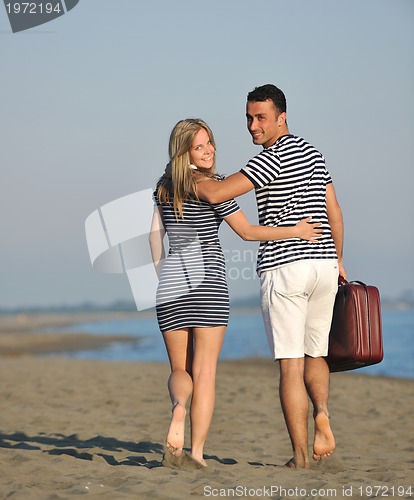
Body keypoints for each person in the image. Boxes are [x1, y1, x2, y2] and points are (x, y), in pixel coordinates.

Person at [149, 117, 323, 470]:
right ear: (186, 153)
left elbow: (155, 237)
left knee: (180, 370)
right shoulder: (215, 187)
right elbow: (246, 232)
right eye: (199, 146)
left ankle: (178, 409)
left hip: (171, 285)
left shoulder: (163, 188)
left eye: (210, 142)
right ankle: (196, 453)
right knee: (206, 372)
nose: (209, 149)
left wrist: (162, 273)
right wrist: (296, 231)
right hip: (209, 283)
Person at [196, 84, 346, 469]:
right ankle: (323, 413)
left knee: (291, 365)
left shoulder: (270, 159)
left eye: (261, 117)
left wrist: (192, 174)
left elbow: (218, 195)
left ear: (282, 117)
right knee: (317, 354)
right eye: (248, 117)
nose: (252, 125)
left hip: (286, 268)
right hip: (324, 265)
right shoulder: (313, 151)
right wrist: (339, 259)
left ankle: (300, 458)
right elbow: (334, 209)